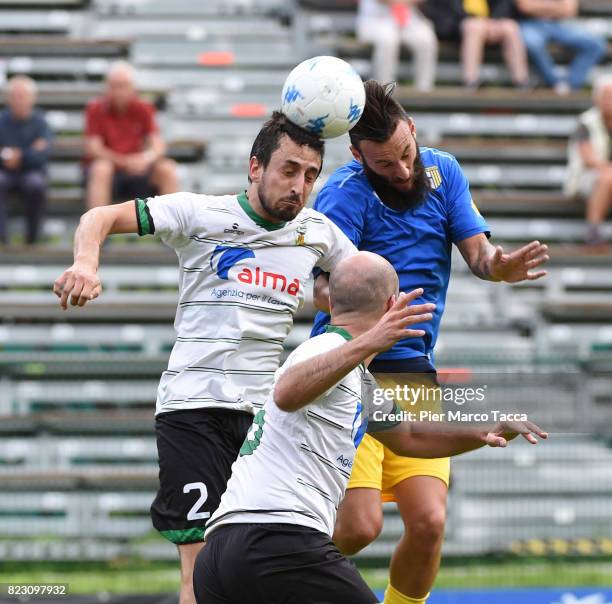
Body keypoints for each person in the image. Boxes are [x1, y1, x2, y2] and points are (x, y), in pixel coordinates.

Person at [53, 111, 357, 604]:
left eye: (310, 175)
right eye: (288, 169)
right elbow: (99, 217)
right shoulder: (200, 213)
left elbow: (358, 287)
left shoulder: (318, 233)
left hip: (265, 425)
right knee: (200, 570)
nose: (299, 186)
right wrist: (86, 262)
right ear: (254, 167)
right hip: (194, 411)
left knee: (256, 565)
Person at [310, 80, 550, 604]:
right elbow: (320, 288)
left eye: (404, 154)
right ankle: (259, 580)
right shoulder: (343, 194)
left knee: (429, 521)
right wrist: (374, 315)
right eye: (383, 165)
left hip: (413, 375)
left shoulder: (445, 172)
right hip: (352, 371)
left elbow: (482, 258)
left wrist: (500, 267)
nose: (400, 170)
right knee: (357, 528)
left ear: (412, 131)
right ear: (357, 156)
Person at [194, 251, 547, 604]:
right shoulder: (325, 348)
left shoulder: (357, 379)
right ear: (392, 305)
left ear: (330, 300)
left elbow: (410, 437)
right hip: (277, 538)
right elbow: (287, 392)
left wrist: (486, 431)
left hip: (223, 554)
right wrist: (370, 340)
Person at [84, 61, 179, 210]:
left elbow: (158, 146)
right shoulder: (95, 109)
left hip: (139, 170)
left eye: (123, 85)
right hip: (112, 171)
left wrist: (145, 159)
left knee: (167, 168)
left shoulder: (144, 109)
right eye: (114, 86)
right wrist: (124, 162)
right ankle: (98, 228)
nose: (119, 91)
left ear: (133, 88)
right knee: (101, 168)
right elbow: (94, 148)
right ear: (107, 88)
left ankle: (173, 229)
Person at [422, 0, 530, 89]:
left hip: (489, 24)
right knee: (474, 27)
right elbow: (447, 11)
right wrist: (478, 21)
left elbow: (503, 5)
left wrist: (493, 22)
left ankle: (521, 82)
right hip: (456, 27)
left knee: (511, 27)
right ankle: (470, 81)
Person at [0, 75, 52, 245]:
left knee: (35, 184)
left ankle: (32, 238)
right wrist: (27, 153)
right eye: (14, 96)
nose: (18, 101)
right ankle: (3, 239)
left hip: (32, 172)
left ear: (32, 99)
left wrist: (19, 156)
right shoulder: (1, 121)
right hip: (5, 172)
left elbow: (42, 154)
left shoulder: (41, 123)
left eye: (22, 96)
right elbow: (36, 151)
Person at [514, 0, 606, 95]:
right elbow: (525, 7)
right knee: (532, 44)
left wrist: (539, 7)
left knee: (596, 44)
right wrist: (556, 7)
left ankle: (570, 85)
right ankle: (555, 83)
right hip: (530, 24)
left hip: (559, 24)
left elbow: (569, 10)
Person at [565, 74, 612, 249]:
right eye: (607, 96)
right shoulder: (586, 122)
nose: (610, 101)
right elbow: (588, 158)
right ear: (597, 99)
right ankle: (593, 231)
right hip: (586, 177)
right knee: (607, 176)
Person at [356, 0, 438, 92]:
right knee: (388, 40)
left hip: (408, 18)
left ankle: (424, 90)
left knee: (426, 39)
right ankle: (385, 91)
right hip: (376, 19)